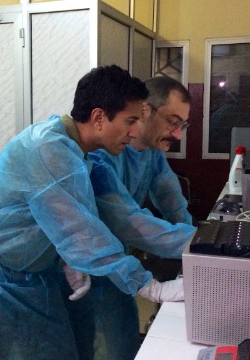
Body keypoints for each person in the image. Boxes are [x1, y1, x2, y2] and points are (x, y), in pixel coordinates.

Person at [0, 65, 187, 360]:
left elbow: (127, 218)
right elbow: (81, 232)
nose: (134, 132)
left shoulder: (89, 157)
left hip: (33, 273)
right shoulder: (46, 149)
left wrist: (196, 242)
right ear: (99, 117)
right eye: (130, 121)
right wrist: (148, 286)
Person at [64, 75, 197, 360]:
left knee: (121, 343)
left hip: (114, 260)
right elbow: (127, 222)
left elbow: (172, 201)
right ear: (146, 110)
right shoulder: (100, 152)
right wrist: (202, 244)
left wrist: (196, 246)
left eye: (182, 125)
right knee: (97, 344)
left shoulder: (148, 153)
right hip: (90, 264)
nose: (177, 134)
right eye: (173, 122)